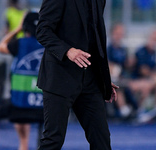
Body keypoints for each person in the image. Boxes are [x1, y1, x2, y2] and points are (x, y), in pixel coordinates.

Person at [36, 0, 118, 149]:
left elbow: (96, 39)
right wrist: (68, 51)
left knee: (102, 140)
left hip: (91, 80)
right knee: (53, 140)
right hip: (60, 77)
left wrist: (103, 79)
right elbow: (42, 30)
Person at [0, 12, 44, 150]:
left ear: (25, 28)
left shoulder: (20, 44)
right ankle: (23, 146)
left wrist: (16, 30)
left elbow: (0, 46)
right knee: (20, 103)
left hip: (18, 107)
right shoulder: (51, 47)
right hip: (44, 110)